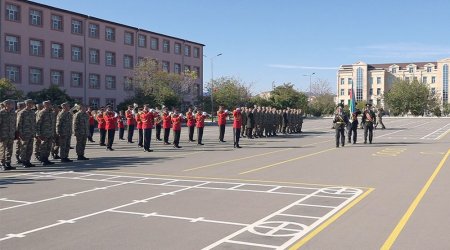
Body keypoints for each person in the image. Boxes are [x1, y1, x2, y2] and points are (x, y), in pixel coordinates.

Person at [16, 99, 37, 168]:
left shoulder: (32, 112)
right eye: (30, 103)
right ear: (27, 104)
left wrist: (34, 133)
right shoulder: (22, 112)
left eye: (32, 103)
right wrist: (20, 134)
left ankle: (28, 161)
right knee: (24, 148)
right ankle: (23, 161)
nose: (32, 104)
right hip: (24, 133)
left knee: (30, 148)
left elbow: (34, 123)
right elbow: (19, 124)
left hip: (31, 133)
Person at [36, 101, 55, 165]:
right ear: (44, 105)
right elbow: (38, 124)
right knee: (43, 147)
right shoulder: (42, 112)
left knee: (48, 147)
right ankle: (42, 159)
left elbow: (53, 124)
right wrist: (38, 134)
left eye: (50, 104)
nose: (50, 105)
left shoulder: (52, 113)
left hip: (50, 133)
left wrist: (54, 132)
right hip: (44, 133)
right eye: (48, 104)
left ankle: (46, 159)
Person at [0, 100, 17, 170]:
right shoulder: (1, 113)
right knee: (2, 150)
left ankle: (8, 163)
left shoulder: (13, 113)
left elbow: (14, 124)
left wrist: (15, 133)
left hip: (11, 134)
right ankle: (2, 164)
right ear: (6, 105)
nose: (13, 105)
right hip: (3, 134)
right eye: (11, 104)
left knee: (10, 150)